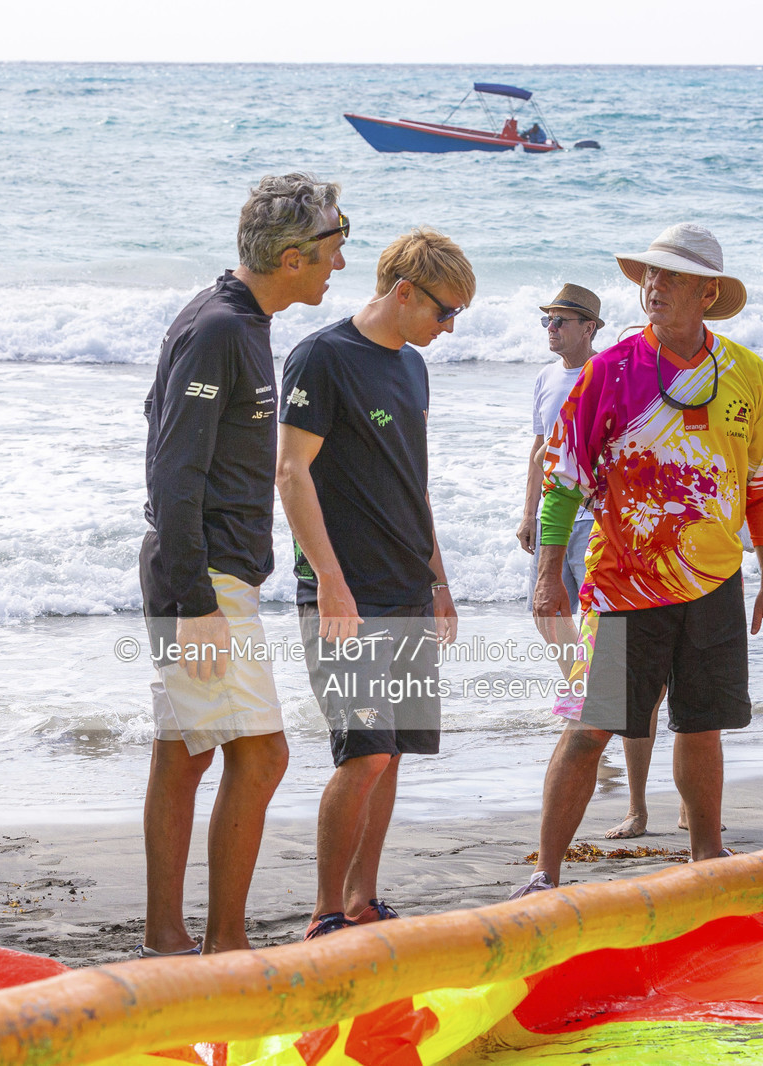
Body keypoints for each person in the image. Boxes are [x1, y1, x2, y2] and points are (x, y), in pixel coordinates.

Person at [514, 222, 763, 896]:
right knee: (591, 729)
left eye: (670, 276)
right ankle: (546, 872)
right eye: (648, 274)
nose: (653, 285)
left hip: (716, 583)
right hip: (622, 586)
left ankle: (707, 857)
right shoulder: (608, 372)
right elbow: (562, 480)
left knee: (702, 724)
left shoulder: (748, 373)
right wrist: (548, 576)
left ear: (708, 294)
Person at [138, 173, 345, 956]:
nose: (340, 263)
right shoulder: (221, 328)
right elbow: (174, 471)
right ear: (292, 257)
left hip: (204, 572)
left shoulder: (238, 319)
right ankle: (224, 947)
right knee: (262, 756)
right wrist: (196, 601)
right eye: (334, 246)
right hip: (204, 577)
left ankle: (167, 940)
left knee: (186, 753)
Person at [276, 228, 473, 939]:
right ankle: (324, 912)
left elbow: (414, 484)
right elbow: (291, 472)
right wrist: (329, 582)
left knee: (393, 756)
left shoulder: (413, 367)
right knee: (364, 752)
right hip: (345, 595)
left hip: (408, 588)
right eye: (444, 311)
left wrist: (440, 581)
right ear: (404, 292)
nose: (448, 327)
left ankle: (362, 900)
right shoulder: (322, 356)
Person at [517, 284, 657, 839]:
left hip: (597, 520)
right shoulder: (546, 378)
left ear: (590, 327)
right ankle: (591, 696)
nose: (551, 329)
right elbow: (539, 451)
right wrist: (528, 512)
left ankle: (599, 715)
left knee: (610, 637)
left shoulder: (610, 373)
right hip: (554, 519)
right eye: (547, 320)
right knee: (546, 613)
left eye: (561, 321)